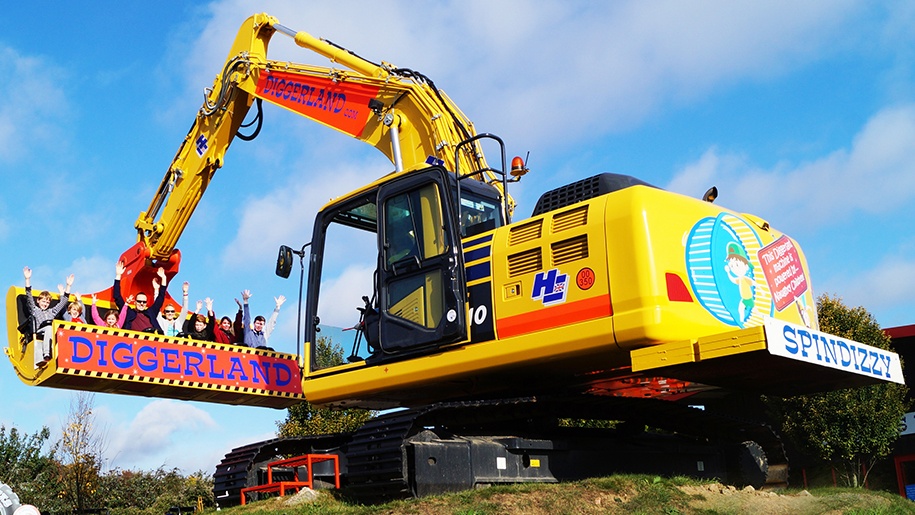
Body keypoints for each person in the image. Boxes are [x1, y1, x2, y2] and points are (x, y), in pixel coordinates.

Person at [23, 266, 74, 368]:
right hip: (39, 330)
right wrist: (27, 279)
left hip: (49, 331)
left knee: (56, 329)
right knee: (49, 328)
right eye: (43, 301)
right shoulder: (35, 310)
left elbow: (63, 302)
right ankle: (46, 353)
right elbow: (29, 296)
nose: (45, 304)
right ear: (38, 301)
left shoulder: (51, 312)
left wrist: (68, 286)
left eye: (47, 302)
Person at [112, 261, 168, 333]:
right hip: (134, 341)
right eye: (139, 301)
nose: (141, 303)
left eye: (144, 302)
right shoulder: (128, 312)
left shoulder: (151, 312)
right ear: (135, 302)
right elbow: (117, 297)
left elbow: (161, 298)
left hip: (153, 341)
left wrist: (164, 278)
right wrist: (118, 275)